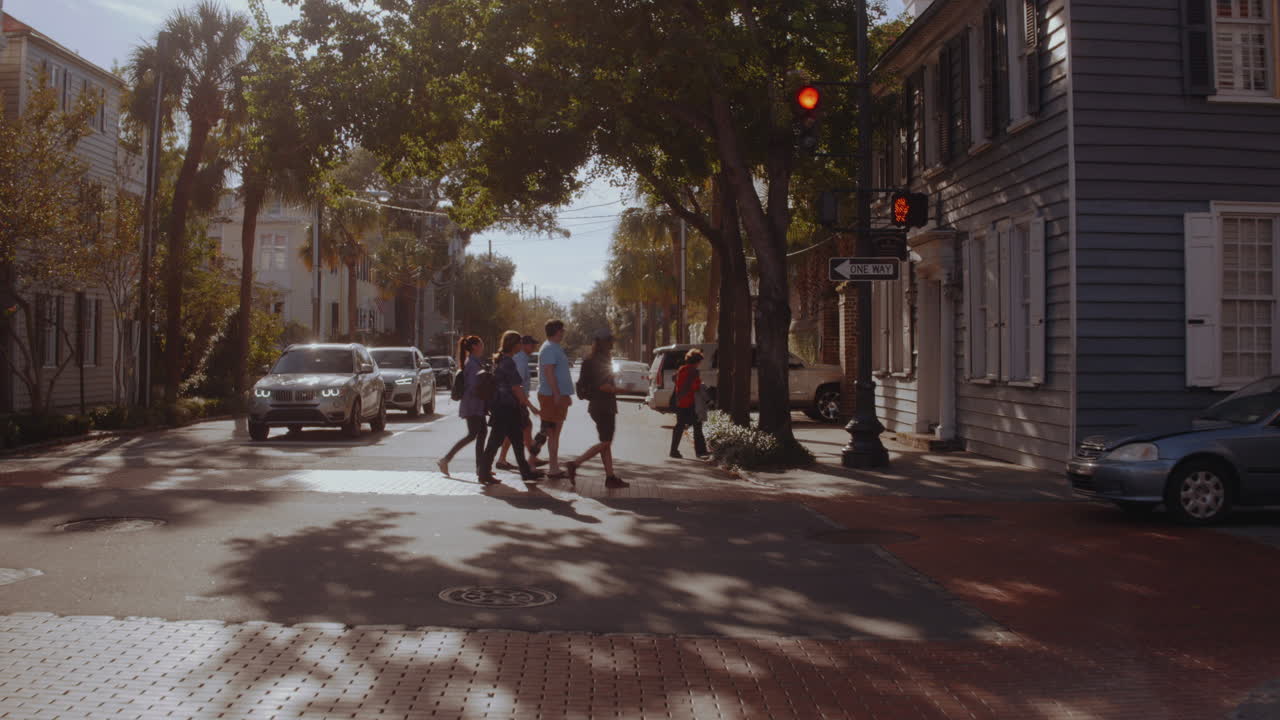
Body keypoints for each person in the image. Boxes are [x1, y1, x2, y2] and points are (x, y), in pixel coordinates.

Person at [478, 331, 545, 484]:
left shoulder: (501, 360)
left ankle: (525, 472)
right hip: (506, 408)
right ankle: (484, 473)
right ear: (514, 345)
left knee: (516, 440)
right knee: (496, 441)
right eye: (519, 342)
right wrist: (531, 406)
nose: (521, 345)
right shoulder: (508, 362)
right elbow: (516, 388)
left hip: (504, 407)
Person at [565, 329, 629, 488]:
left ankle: (610, 477)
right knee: (606, 442)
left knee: (605, 442)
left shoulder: (591, 359)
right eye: (610, 341)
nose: (612, 344)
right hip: (604, 406)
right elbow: (603, 386)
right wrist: (623, 390)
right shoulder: (600, 361)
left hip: (596, 406)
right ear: (604, 343)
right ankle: (575, 464)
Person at [438, 335, 489, 480]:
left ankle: (480, 468)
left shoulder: (474, 362)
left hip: (476, 404)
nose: (482, 347)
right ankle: (445, 460)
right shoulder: (472, 364)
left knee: (481, 433)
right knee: (473, 434)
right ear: (474, 347)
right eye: (480, 344)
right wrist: (486, 388)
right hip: (473, 405)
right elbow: (473, 386)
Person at [496, 334, 543, 470]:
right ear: (523, 345)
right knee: (517, 431)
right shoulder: (520, 360)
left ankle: (529, 459)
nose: (534, 347)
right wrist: (530, 405)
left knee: (523, 429)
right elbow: (517, 386)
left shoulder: (520, 359)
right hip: (517, 401)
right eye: (531, 344)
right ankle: (526, 462)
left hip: (517, 401)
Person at [534, 319, 574, 478]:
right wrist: (557, 394)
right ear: (557, 331)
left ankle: (545, 465)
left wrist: (565, 395)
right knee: (552, 433)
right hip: (551, 396)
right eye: (562, 330)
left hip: (556, 396)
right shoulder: (549, 348)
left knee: (550, 432)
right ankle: (552, 468)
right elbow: (549, 372)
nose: (563, 332)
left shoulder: (554, 347)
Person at [670, 347, 709, 459]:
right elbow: (694, 386)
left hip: (680, 401)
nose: (700, 364)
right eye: (699, 361)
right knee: (697, 426)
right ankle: (700, 452)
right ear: (696, 361)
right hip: (690, 402)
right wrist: (701, 386)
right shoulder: (694, 371)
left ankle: (673, 450)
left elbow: (676, 381)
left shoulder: (681, 369)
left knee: (679, 426)